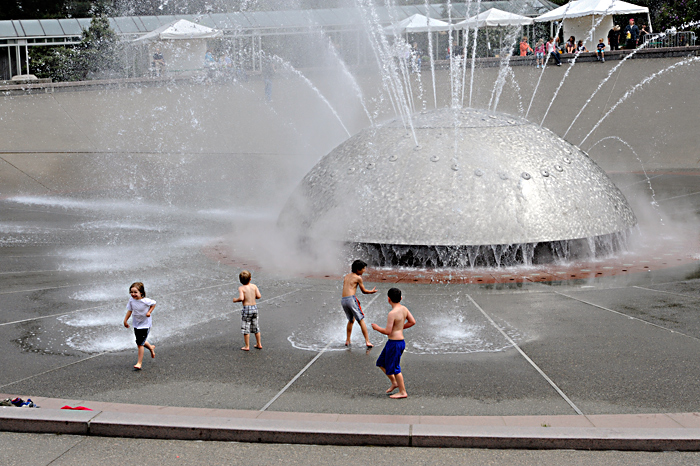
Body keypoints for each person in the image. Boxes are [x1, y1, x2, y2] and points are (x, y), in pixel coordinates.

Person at [371, 288, 415, 399]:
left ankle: (402, 391)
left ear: (388, 299)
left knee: (395, 368)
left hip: (395, 344)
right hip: (396, 342)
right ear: (400, 298)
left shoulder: (392, 313)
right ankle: (394, 383)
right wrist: (400, 327)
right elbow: (412, 322)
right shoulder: (404, 309)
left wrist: (377, 328)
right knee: (381, 362)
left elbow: (388, 331)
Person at [341, 259, 377, 348]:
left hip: (343, 300)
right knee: (361, 320)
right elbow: (364, 291)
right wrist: (371, 292)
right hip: (351, 300)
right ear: (358, 269)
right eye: (363, 269)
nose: (364, 270)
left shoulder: (346, 276)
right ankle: (367, 341)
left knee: (351, 320)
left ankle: (347, 340)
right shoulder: (358, 278)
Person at [123, 282, 156, 370]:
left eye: (135, 292)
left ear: (141, 292)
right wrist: (125, 320)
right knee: (140, 341)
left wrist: (149, 312)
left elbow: (154, 303)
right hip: (136, 324)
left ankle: (139, 363)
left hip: (145, 325)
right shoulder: (131, 300)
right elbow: (129, 310)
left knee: (140, 344)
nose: (133, 294)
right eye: (131, 292)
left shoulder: (145, 301)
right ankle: (151, 347)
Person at [233, 270, 262, 351]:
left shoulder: (241, 288)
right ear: (250, 279)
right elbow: (259, 296)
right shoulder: (254, 286)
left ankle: (247, 346)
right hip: (255, 308)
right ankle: (259, 344)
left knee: (246, 327)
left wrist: (236, 300)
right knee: (256, 327)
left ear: (240, 281)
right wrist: (253, 296)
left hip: (247, 309)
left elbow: (241, 298)